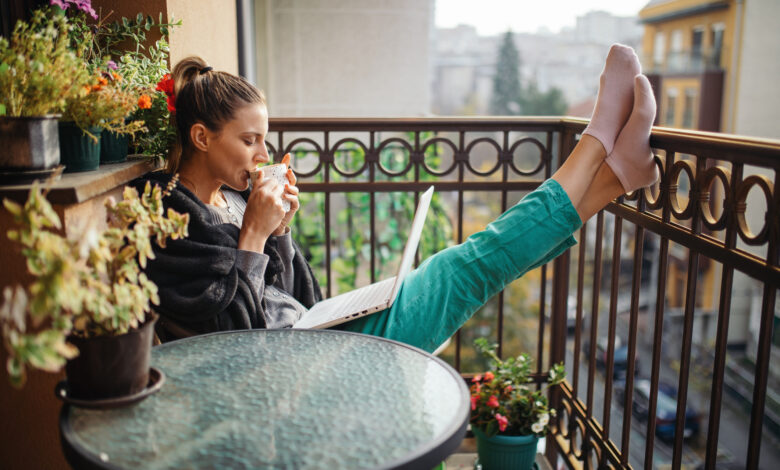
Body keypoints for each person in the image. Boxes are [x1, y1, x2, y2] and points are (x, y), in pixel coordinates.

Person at [138, 45, 658, 352]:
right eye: (248, 140)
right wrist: (255, 233)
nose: (262, 154)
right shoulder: (171, 217)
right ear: (203, 138)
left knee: (472, 267)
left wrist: (280, 233)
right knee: (466, 267)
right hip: (305, 365)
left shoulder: (229, 200)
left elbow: (296, 296)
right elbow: (237, 340)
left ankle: (613, 176)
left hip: (317, 335)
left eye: (264, 139)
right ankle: (594, 144)